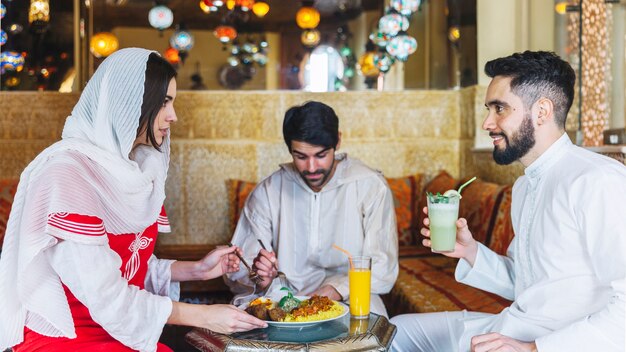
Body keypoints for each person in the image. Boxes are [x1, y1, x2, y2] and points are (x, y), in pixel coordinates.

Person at [0, 48, 266, 352]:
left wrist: (196, 270)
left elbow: (129, 265)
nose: (173, 116)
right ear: (130, 103)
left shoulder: (136, 168)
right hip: (69, 339)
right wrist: (204, 315)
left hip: (116, 334)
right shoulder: (67, 173)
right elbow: (106, 294)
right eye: (165, 102)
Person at [390, 50, 626, 352]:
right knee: (395, 332)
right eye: (489, 109)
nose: (487, 123)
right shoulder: (525, 185)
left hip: (553, 340)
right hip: (511, 325)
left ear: (542, 111)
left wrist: (533, 349)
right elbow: (526, 283)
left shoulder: (598, 181)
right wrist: (470, 251)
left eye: (499, 109)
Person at [225, 101, 399, 316]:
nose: (312, 167)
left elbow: (383, 268)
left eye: (320, 155)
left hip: (350, 296)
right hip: (281, 296)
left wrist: (336, 289)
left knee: (370, 336)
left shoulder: (370, 186)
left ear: (338, 141)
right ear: (290, 150)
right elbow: (240, 269)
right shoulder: (268, 191)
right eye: (301, 157)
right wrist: (262, 279)